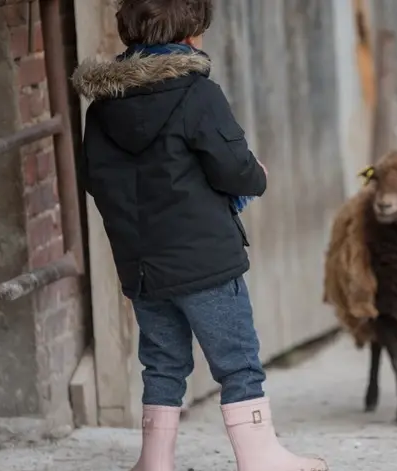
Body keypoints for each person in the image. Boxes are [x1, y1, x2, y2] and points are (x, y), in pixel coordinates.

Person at [71, 1, 328, 470]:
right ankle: (261, 459)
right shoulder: (197, 94)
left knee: (163, 362)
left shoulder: (102, 110)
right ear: (190, 34)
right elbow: (232, 167)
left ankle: (154, 461)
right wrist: (258, 178)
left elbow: (94, 180)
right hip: (205, 262)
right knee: (238, 361)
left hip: (143, 267)